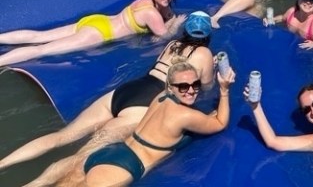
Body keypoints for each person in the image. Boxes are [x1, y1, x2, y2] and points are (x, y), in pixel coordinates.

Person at [0, 11, 215, 182]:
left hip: (128, 90)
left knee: (62, 136)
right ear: (207, 35)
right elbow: (204, 87)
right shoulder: (205, 53)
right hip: (143, 105)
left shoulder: (172, 44)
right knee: (82, 157)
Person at [74, 61, 234, 187]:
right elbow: (220, 123)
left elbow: (182, 78)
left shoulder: (162, 96)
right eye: (184, 87)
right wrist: (224, 90)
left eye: (195, 84)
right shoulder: (185, 115)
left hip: (112, 151)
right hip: (124, 166)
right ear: (171, 88)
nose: (191, 90)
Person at [0, 0, 187, 66]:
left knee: (39, 36)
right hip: (98, 33)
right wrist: (176, 23)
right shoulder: (152, 14)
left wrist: (168, 13)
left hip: (96, 21)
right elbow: (163, 37)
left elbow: (165, 9)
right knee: (41, 50)